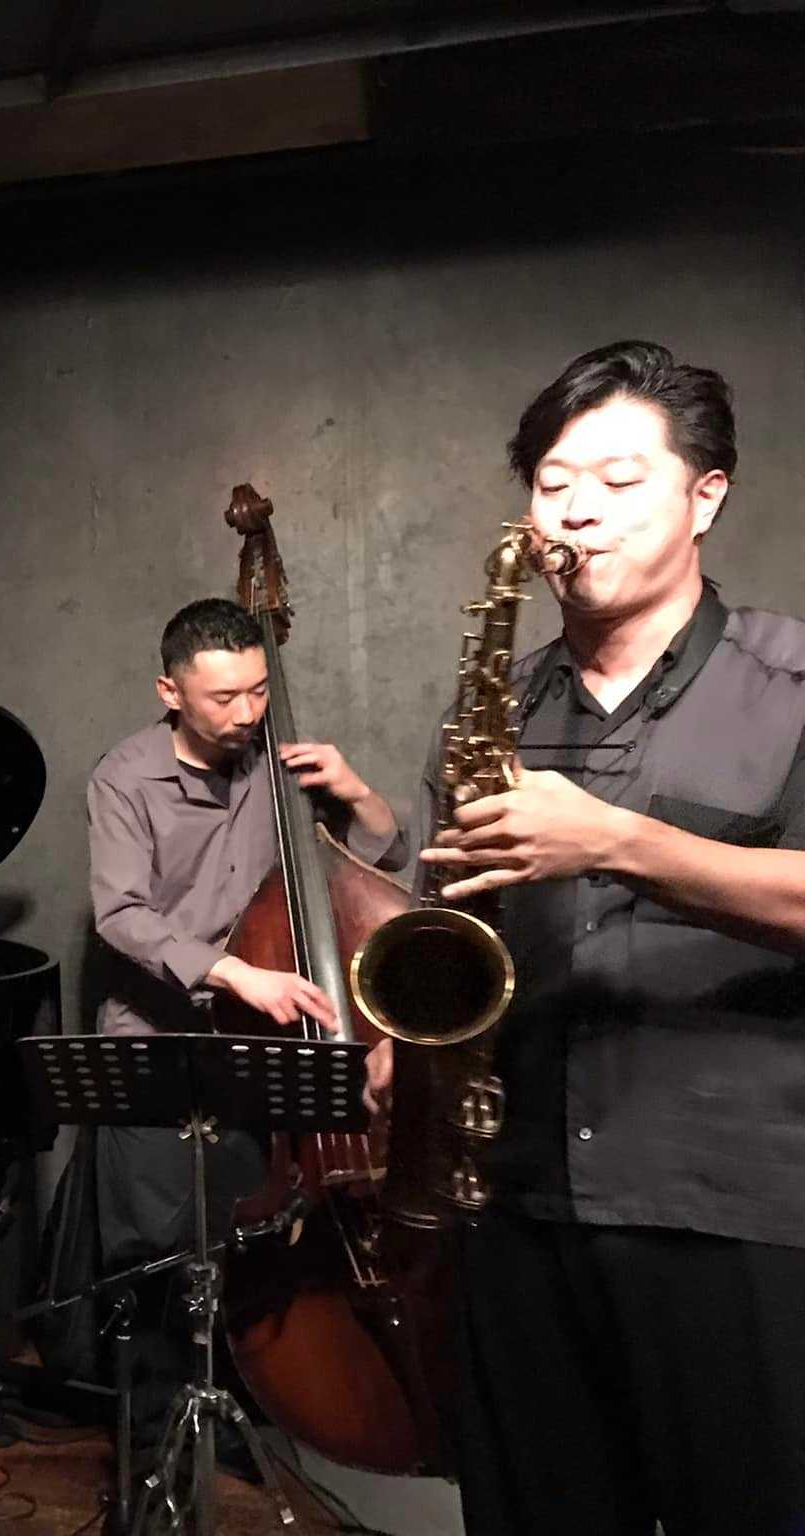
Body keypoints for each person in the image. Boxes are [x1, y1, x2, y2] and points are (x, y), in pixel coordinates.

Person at [416, 341, 805, 1534]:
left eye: (618, 480)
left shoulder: (792, 681)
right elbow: (452, 929)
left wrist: (617, 841)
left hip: (731, 1208)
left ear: (704, 496)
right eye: (550, 482)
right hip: (514, 1202)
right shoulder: (493, 701)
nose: (574, 510)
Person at [81, 597, 405, 1428]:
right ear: (170, 692)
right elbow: (121, 915)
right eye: (225, 697)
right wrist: (233, 973)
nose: (249, 712)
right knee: (154, 1259)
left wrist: (358, 792)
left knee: (250, 1246)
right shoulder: (124, 779)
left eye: (259, 690)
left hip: (258, 1047)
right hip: (157, 1041)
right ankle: (154, 1442)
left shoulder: (282, 763)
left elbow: (376, 861)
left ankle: (250, 1422)